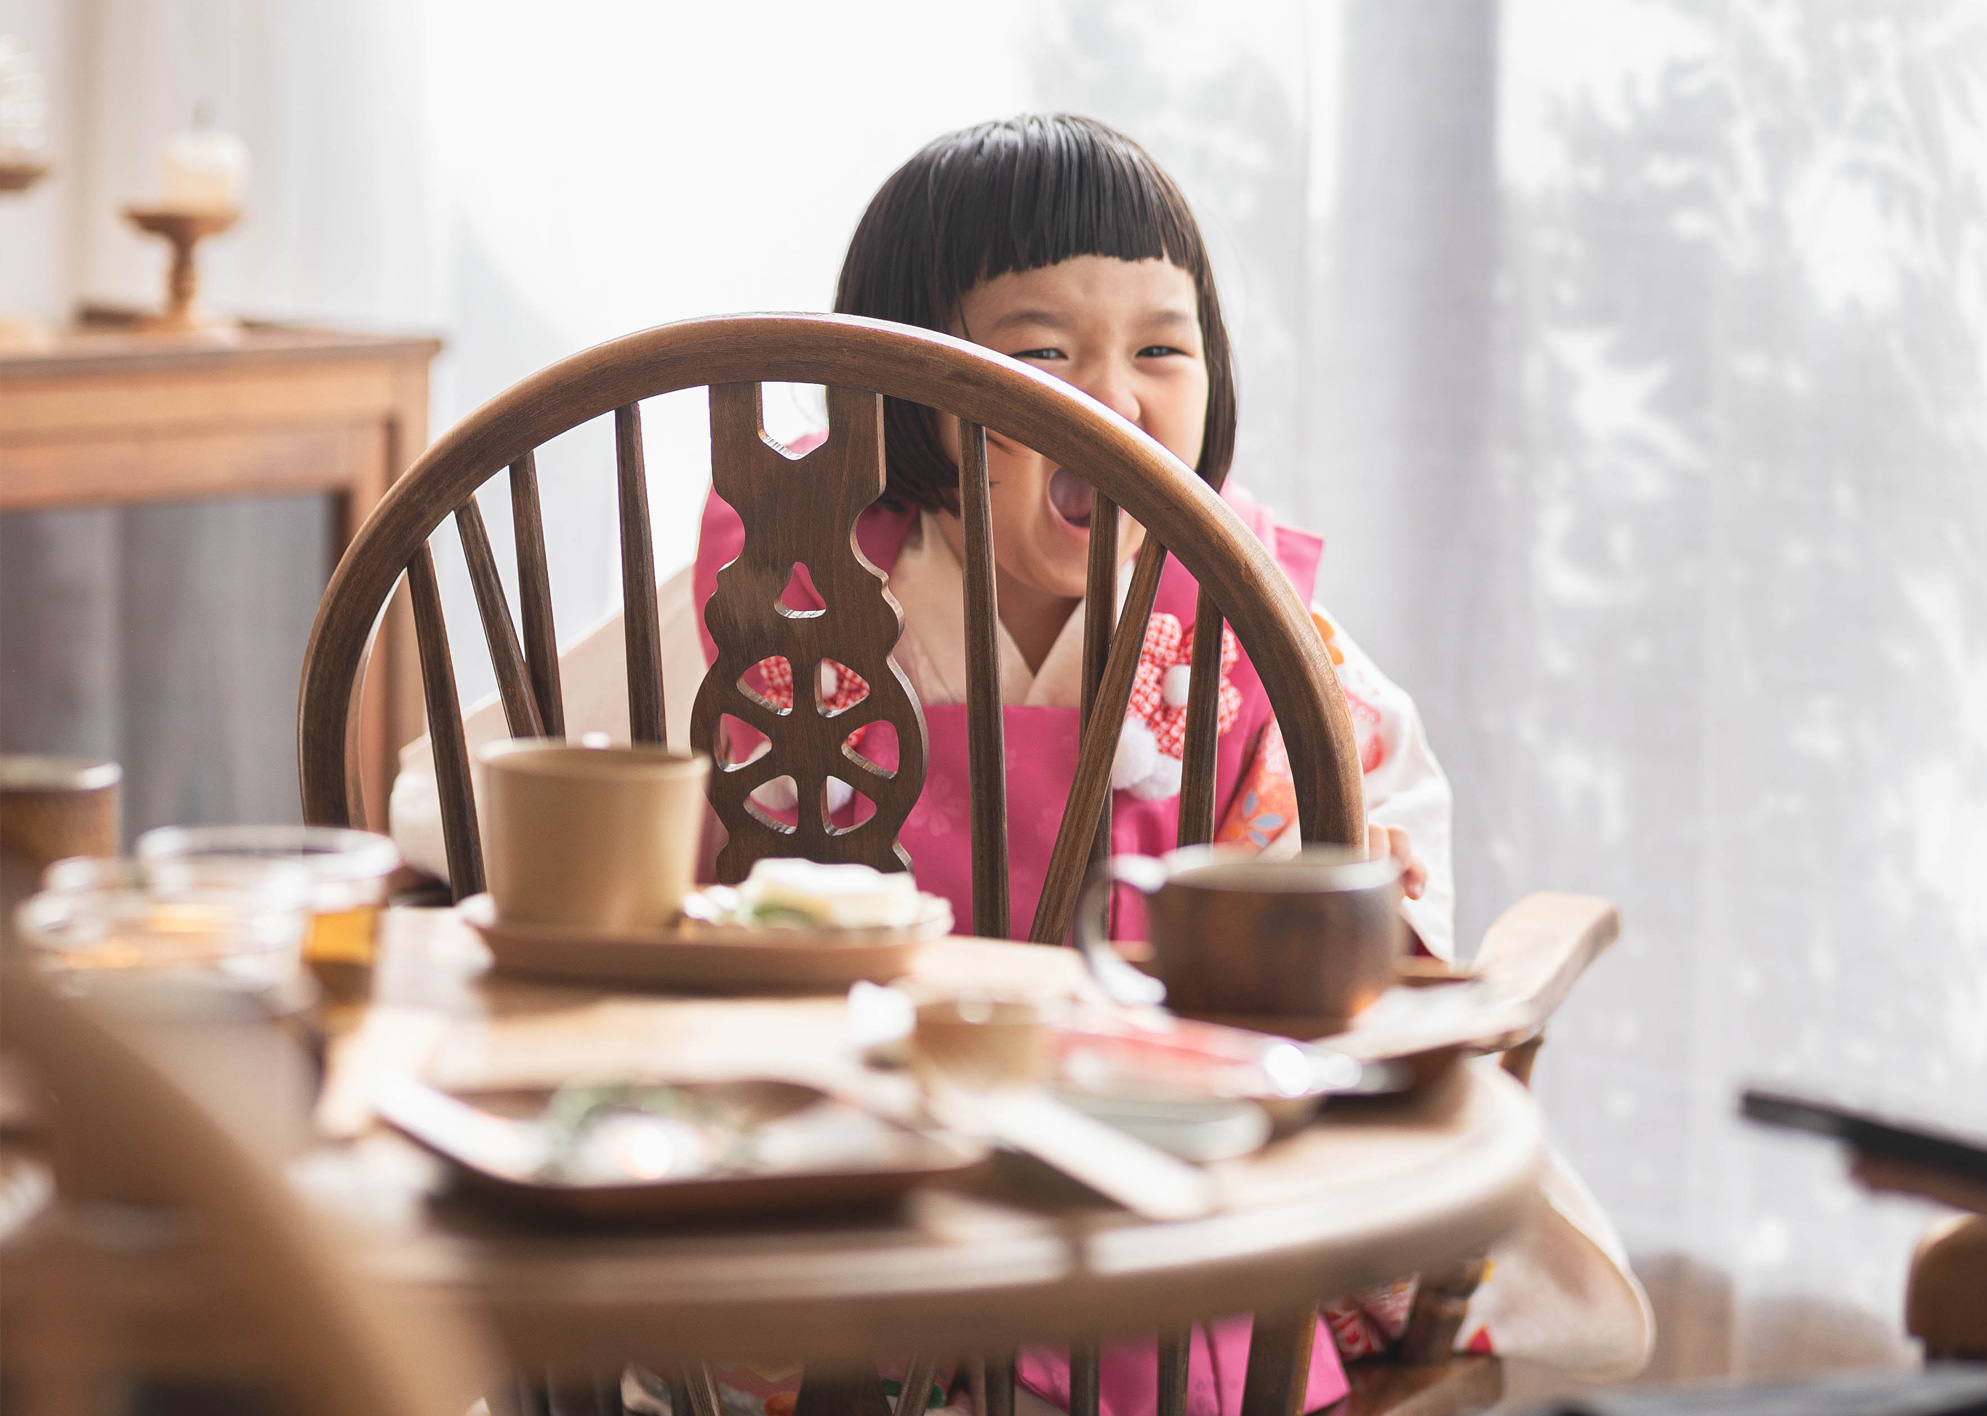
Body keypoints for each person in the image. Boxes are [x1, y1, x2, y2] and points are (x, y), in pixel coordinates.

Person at [392, 114, 1650, 1415]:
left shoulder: (1245, 633)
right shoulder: (783, 588)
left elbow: (1375, 917)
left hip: (1152, 1221)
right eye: (1039, 354)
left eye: (1164, 349)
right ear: (906, 396)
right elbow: (451, 799)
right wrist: (668, 921)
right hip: (819, 1213)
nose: (1112, 400)